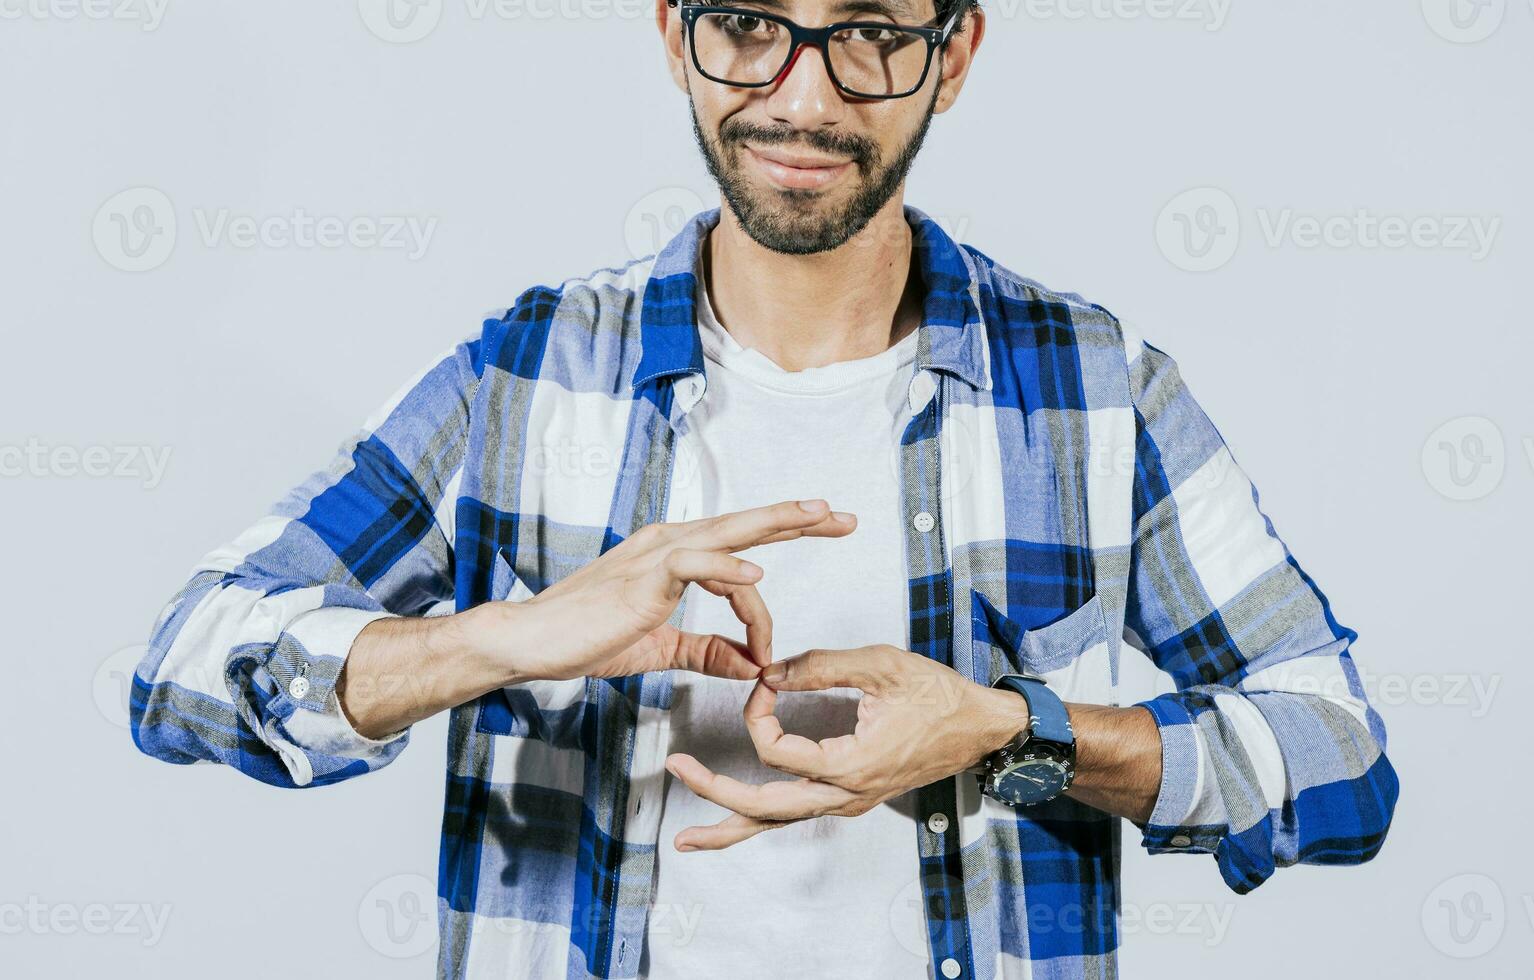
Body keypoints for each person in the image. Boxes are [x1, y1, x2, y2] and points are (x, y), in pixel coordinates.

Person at [129, 1, 1399, 976]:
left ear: (951, 57)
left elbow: (1338, 764)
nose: (803, 96)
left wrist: (1013, 731)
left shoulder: (1093, 387)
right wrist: (498, 637)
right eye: (748, 27)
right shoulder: (526, 372)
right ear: (675, 38)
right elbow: (185, 666)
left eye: (865, 36)